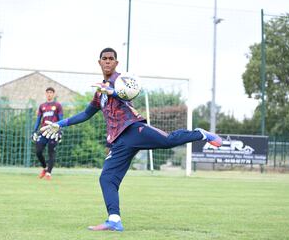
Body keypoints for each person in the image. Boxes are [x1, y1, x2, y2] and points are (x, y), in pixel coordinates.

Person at [40, 48, 222, 231]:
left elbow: (131, 92)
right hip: (119, 140)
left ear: (116, 63)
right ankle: (114, 220)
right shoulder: (99, 92)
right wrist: (60, 124)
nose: (108, 61)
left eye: (111, 59)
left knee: (168, 141)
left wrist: (112, 91)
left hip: (134, 128)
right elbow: (87, 113)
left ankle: (201, 134)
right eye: (105, 59)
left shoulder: (121, 80)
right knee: (107, 178)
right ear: (100, 62)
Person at [32, 87, 63, 180]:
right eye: (47, 92)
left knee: (51, 152)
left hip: (53, 132)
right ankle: (45, 168)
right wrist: (34, 131)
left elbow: (61, 120)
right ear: (45, 94)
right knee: (38, 151)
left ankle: (49, 173)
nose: (49, 94)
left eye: (51, 92)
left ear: (53, 94)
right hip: (44, 131)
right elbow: (38, 119)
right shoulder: (42, 106)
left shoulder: (57, 105)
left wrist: (60, 131)